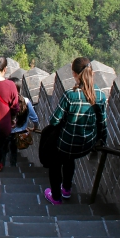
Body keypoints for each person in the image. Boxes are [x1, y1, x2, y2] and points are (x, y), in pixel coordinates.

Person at [44, 57, 108, 205]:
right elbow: (102, 123)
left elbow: (54, 121)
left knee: (55, 164)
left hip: (67, 143)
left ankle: (56, 197)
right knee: (69, 159)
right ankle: (66, 190)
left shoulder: (70, 95)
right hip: (86, 145)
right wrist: (102, 142)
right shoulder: (100, 96)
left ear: (74, 74)